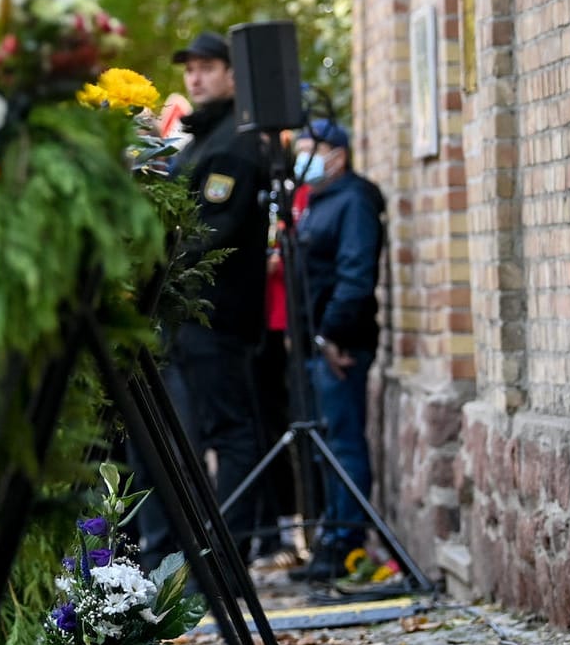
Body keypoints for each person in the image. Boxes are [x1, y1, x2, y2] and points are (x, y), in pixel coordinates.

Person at [135, 32, 269, 573]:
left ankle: (230, 557)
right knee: (185, 437)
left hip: (216, 316)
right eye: (190, 69)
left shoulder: (236, 143)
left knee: (229, 433)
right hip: (187, 318)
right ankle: (186, 556)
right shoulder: (200, 141)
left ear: (235, 76)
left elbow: (211, 231)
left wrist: (156, 269)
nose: (195, 77)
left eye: (208, 67)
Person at [289, 119, 386, 581]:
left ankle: (346, 542)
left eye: (312, 148)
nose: (303, 158)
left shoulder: (354, 199)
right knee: (325, 444)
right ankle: (330, 538)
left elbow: (354, 274)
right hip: (316, 341)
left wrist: (331, 334)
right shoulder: (319, 202)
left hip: (340, 345)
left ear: (338, 154)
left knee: (343, 442)